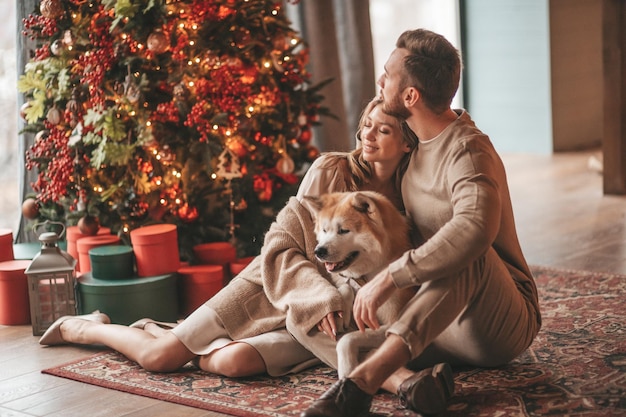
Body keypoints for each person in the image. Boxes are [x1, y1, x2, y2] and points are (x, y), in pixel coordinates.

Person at [38, 97, 419, 379]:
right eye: (366, 124)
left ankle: (162, 328)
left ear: (406, 143)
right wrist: (319, 299)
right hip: (275, 285)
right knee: (160, 360)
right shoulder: (331, 171)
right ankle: (91, 327)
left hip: (319, 317)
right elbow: (281, 243)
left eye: (382, 129)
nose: (367, 135)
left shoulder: (406, 196)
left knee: (234, 363)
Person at [298, 28, 542, 417]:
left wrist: (391, 277)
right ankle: (411, 383)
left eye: (387, 76)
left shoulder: (468, 151)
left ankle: (361, 384)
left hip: (498, 323)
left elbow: (475, 229)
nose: (380, 83)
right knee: (333, 328)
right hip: (436, 320)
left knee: (465, 248)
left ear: (410, 96)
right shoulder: (413, 144)